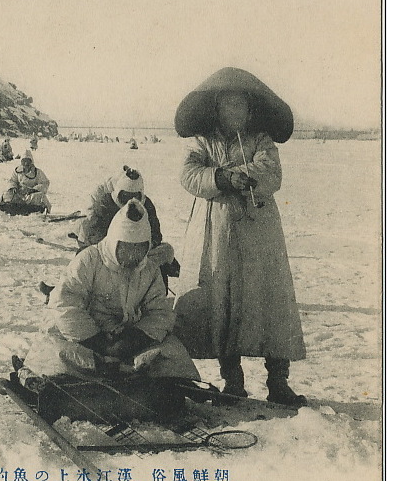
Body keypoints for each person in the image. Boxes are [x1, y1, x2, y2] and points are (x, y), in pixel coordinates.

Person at [172, 67, 306, 407]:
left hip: (259, 234)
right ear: (218, 109)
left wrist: (240, 176)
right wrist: (221, 179)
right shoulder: (204, 143)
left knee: (269, 301)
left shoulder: (261, 140)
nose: (236, 112)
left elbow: (271, 173)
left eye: (241, 106)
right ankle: (233, 381)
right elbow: (189, 175)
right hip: (217, 235)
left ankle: (278, 381)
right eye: (229, 105)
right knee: (223, 301)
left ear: (249, 111)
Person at [22, 200, 199, 387]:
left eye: (139, 250)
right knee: (57, 350)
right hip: (86, 338)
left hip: (124, 339)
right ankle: (56, 381)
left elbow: (160, 312)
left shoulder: (149, 269)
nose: (133, 257)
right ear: (115, 242)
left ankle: (168, 383)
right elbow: (65, 303)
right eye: (127, 248)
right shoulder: (90, 259)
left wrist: (137, 336)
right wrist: (97, 341)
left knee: (172, 349)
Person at [74, 165, 178, 288]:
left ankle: (157, 291)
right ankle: (71, 287)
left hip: (139, 253)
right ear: (118, 192)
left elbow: (156, 234)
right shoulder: (105, 203)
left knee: (166, 251)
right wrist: (118, 248)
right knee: (84, 255)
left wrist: (143, 247)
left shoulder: (146, 205)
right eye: (125, 196)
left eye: (134, 197)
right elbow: (93, 234)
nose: (129, 201)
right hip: (110, 254)